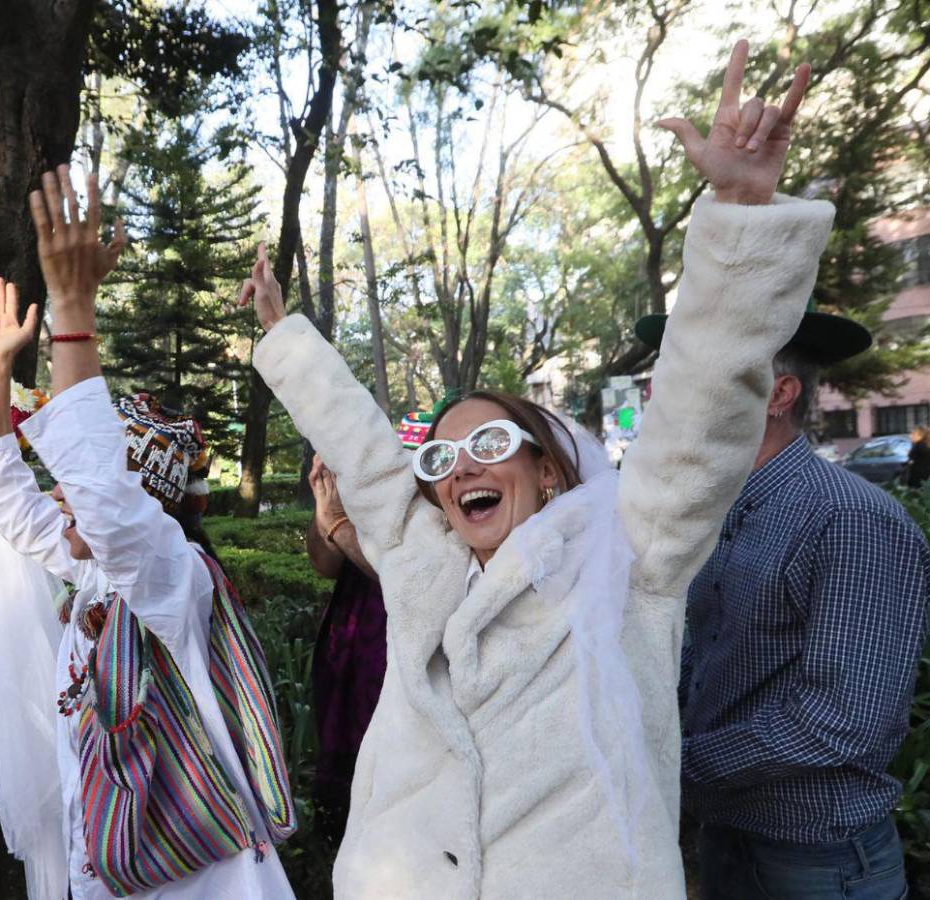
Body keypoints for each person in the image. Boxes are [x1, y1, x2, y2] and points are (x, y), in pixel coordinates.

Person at [240, 40, 832, 898]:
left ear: (546, 469)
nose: (460, 470)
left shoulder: (631, 560)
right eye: (442, 457)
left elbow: (699, 414)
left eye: (489, 445)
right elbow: (365, 455)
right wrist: (283, 337)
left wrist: (739, 213)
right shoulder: (422, 566)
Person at [0, 222, 296, 895]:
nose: (58, 495)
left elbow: (102, 501)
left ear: (145, 504)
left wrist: (73, 310)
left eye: (73, 486)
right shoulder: (95, 578)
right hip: (117, 865)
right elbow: (5, 496)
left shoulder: (172, 577)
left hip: (201, 878)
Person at [639, 308, 930, 896]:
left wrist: (677, 763)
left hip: (819, 858)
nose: (663, 391)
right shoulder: (721, 507)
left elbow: (842, 719)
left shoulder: (850, 519)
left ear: (778, 393)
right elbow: (708, 653)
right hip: (728, 836)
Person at [305, 453, 385, 845]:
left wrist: (337, 524)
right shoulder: (353, 469)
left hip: (392, 638)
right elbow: (324, 564)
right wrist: (325, 508)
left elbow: (404, 572)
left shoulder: (433, 471)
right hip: (351, 637)